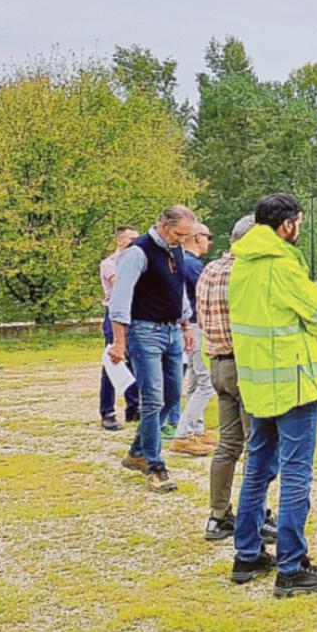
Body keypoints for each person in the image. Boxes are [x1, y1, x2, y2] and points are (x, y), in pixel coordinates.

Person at [228, 193, 317, 597]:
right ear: (287, 225)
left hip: (258, 387)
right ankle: (291, 567)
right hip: (294, 386)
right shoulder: (284, 267)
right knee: (296, 475)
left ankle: (247, 553)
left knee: (257, 468)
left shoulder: (239, 266)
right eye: (299, 223)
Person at [196, 214, 278, 545]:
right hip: (245, 365)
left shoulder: (209, 270)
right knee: (256, 446)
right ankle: (254, 517)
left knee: (228, 445)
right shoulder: (244, 272)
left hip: (217, 363)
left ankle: (218, 516)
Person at [107, 206, 197, 493]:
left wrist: (185, 324)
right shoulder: (138, 252)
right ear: (163, 225)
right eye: (177, 234)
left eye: (186, 236)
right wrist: (119, 342)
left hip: (172, 330)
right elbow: (120, 300)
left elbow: (178, 288)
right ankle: (155, 466)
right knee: (153, 399)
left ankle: (137, 452)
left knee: (172, 396)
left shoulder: (177, 249)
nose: (181, 240)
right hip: (145, 330)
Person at [172, 223, 218, 457]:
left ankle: (196, 431)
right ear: (197, 237)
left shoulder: (181, 261)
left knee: (194, 382)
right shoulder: (191, 265)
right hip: (197, 326)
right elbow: (207, 295)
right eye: (208, 237)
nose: (209, 242)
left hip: (188, 327)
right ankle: (183, 434)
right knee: (206, 382)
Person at [98, 225, 141, 430]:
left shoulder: (138, 262)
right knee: (113, 361)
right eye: (131, 239)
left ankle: (134, 407)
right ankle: (108, 411)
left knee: (134, 361)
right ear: (120, 241)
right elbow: (124, 284)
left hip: (134, 313)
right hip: (115, 314)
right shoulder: (109, 264)